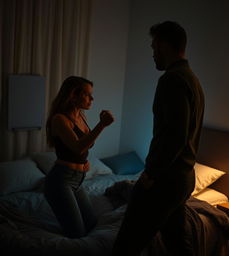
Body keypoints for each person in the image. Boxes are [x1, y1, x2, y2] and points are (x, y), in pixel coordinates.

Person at [112, 21, 205, 255]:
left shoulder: (172, 79)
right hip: (182, 178)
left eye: (154, 47)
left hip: (165, 180)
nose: (153, 54)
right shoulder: (193, 80)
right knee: (177, 243)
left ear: (164, 46)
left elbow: (175, 136)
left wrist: (151, 173)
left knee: (126, 244)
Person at [44, 76, 114, 238]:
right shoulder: (60, 119)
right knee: (76, 232)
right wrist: (102, 124)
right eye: (87, 94)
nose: (92, 98)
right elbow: (78, 147)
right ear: (73, 95)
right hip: (60, 181)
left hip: (78, 179)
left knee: (91, 224)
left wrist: (83, 162)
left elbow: (85, 146)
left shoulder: (81, 116)